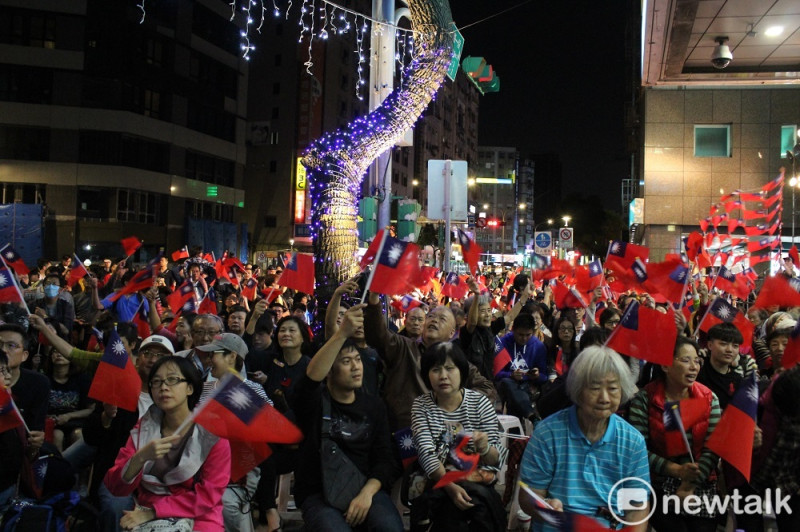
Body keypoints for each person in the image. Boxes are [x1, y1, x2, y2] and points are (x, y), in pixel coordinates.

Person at [292, 304, 403, 531]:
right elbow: (309, 381)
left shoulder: (373, 406)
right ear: (329, 371)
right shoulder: (314, 404)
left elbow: (385, 459)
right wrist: (342, 332)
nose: (356, 367)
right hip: (319, 494)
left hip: (365, 489)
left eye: (358, 360)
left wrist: (367, 493)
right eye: (346, 362)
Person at [519, 346, 650, 531]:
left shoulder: (632, 441)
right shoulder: (547, 434)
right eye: (595, 388)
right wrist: (548, 508)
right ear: (578, 390)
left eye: (613, 388)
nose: (604, 398)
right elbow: (528, 497)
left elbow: (636, 507)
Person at [104, 356, 230, 531]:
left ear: (190, 388)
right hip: (146, 511)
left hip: (198, 514)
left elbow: (208, 496)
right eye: (156, 382)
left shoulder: (212, 434)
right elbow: (115, 487)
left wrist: (154, 512)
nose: (163, 387)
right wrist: (140, 458)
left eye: (172, 380)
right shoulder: (144, 428)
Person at [365, 290, 497, 431]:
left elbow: (488, 389)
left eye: (442, 319)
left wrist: (453, 403)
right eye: (431, 316)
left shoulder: (457, 362)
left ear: (452, 333)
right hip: (402, 434)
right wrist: (373, 299)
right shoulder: (404, 347)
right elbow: (377, 335)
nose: (434, 320)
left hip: (440, 434)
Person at [410, 342, 508, 531]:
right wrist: (451, 487)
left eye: (449, 368)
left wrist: (485, 448)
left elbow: (497, 460)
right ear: (427, 375)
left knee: (467, 505)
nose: (443, 376)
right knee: (457, 506)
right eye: (436, 370)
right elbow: (426, 453)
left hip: (476, 478)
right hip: (436, 479)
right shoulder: (421, 406)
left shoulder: (480, 403)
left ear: (461, 371)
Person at [628, 336, 721, 532]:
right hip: (659, 483)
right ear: (666, 366)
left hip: (701, 482)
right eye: (686, 360)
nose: (694, 367)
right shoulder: (646, 399)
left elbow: (712, 448)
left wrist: (689, 484)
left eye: (697, 361)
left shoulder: (709, 398)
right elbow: (638, 451)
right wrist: (676, 471)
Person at [196, 333, 270, 532]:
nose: (209, 360)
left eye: (214, 355)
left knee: (225, 506)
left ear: (232, 357)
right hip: (202, 467)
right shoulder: (204, 389)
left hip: (237, 474)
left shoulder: (253, 389)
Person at [495, 313, 548, 423]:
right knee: (507, 383)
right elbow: (496, 373)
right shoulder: (503, 343)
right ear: (513, 330)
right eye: (520, 334)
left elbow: (544, 376)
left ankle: (517, 436)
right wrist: (511, 375)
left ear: (533, 332)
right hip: (505, 385)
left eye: (528, 335)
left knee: (513, 401)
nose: (524, 338)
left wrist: (537, 376)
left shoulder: (538, 346)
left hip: (527, 386)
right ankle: (532, 416)